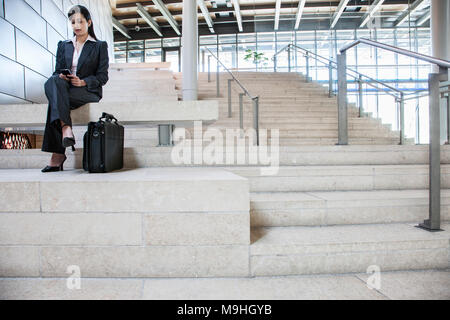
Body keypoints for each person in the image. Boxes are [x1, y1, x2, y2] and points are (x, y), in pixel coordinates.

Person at [41, 5, 109, 172]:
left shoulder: (99, 46)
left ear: (89, 22)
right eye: (73, 22)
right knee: (53, 80)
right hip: (65, 88)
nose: (76, 26)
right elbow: (57, 71)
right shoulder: (64, 45)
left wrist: (83, 82)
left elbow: (103, 77)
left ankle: (58, 154)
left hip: (87, 91)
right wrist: (63, 76)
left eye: (80, 21)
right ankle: (66, 130)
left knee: (55, 101)